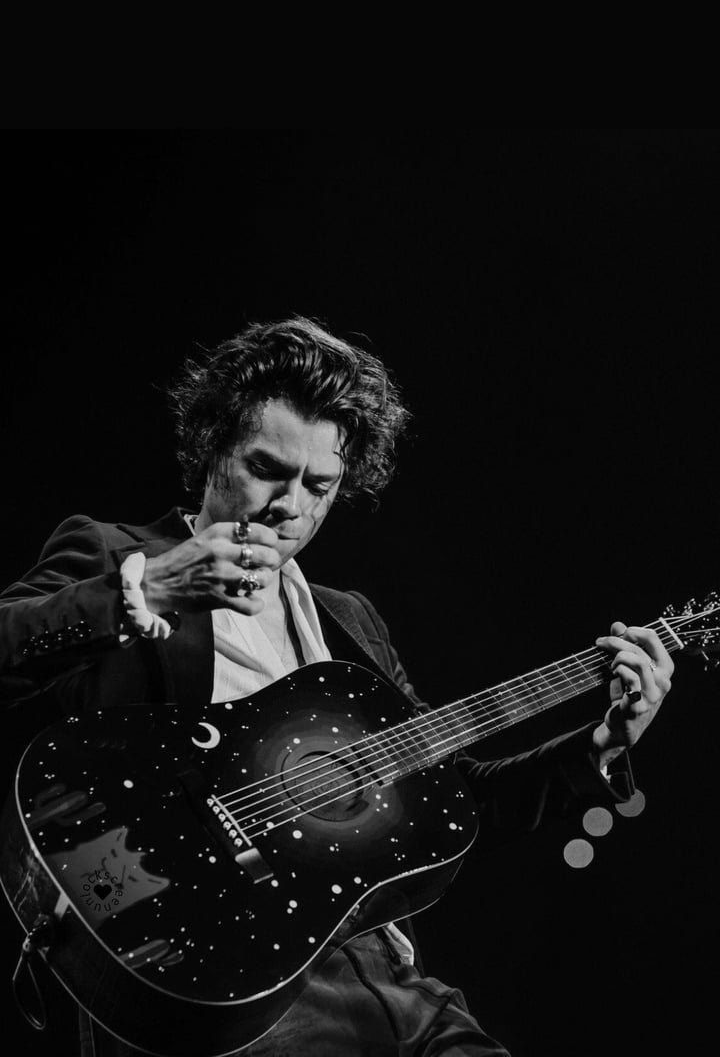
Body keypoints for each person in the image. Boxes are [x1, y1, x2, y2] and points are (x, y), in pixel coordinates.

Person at [0, 316, 674, 1057]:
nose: (288, 506)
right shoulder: (115, 553)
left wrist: (603, 742)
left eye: (318, 484)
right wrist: (149, 591)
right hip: (222, 976)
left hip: (392, 975)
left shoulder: (351, 622)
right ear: (211, 448)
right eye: (265, 469)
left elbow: (454, 801)